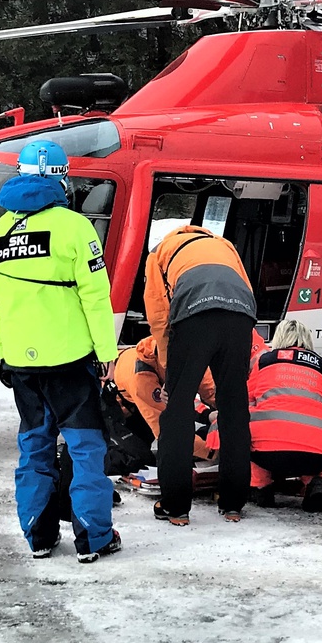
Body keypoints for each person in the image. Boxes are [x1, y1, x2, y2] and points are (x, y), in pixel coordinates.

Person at [0, 139, 121, 563]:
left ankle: (38, 536)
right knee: (86, 449)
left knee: (34, 448)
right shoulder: (75, 227)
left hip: (22, 362)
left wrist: (7, 351)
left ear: (19, 174)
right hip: (71, 361)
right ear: (64, 179)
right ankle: (94, 538)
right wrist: (106, 351)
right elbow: (96, 295)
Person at [143, 224, 256, 525]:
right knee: (234, 408)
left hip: (194, 313)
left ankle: (175, 506)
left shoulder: (159, 255)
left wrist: (171, 376)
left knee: (177, 412)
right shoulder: (224, 245)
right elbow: (245, 288)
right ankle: (233, 503)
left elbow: (158, 315)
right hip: (241, 314)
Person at [212, 321, 322, 513]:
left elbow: (244, 404)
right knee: (314, 438)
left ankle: (262, 487)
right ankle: (314, 480)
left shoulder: (265, 362)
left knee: (244, 433)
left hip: (268, 455)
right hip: (318, 456)